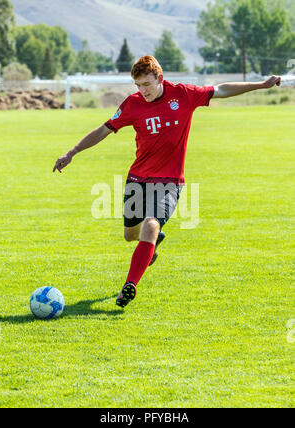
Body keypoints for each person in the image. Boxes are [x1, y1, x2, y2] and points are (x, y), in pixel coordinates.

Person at [53, 55, 281, 308]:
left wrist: (260, 85)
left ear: (160, 79)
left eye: (147, 85)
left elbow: (221, 89)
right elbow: (103, 130)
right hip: (138, 178)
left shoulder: (183, 94)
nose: (143, 91)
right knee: (130, 236)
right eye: (138, 86)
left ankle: (129, 285)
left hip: (170, 181)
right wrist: (72, 152)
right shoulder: (133, 104)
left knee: (151, 224)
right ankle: (151, 245)